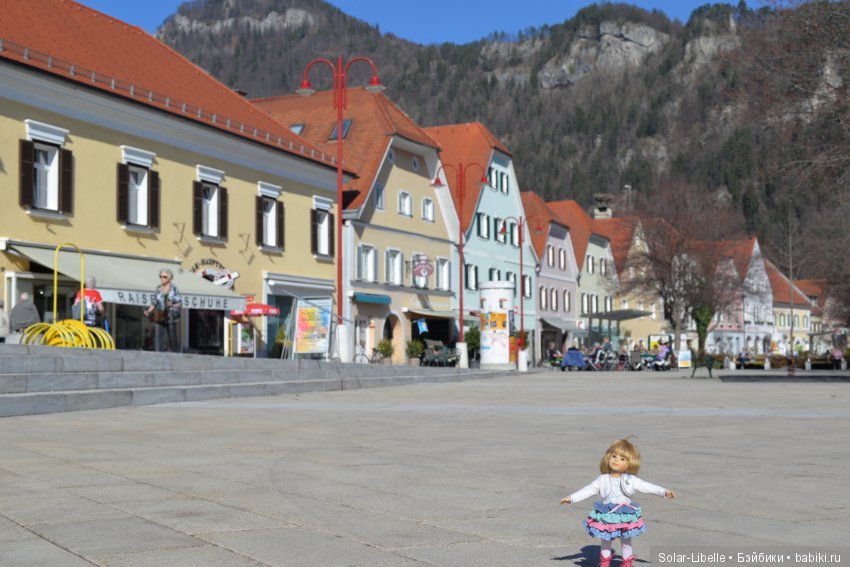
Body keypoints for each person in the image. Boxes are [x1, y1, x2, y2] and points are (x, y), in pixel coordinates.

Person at [560, 439, 676, 567]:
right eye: (614, 456)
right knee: (605, 540)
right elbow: (588, 490)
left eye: (622, 459)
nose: (616, 460)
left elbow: (647, 486)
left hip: (625, 515)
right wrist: (571, 498)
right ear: (608, 457)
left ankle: (627, 563)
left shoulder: (631, 480)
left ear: (630, 463)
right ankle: (605, 563)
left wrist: (663, 491)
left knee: (626, 541)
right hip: (607, 515)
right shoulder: (602, 479)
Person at [143, 268, 183, 353]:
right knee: (158, 340)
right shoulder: (158, 288)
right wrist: (148, 311)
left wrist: (172, 304)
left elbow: (180, 303)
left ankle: (176, 357)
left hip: (171, 317)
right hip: (159, 315)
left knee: (173, 340)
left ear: (170, 278)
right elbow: (154, 303)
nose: (162, 278)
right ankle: (159, 357)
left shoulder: (174, 288)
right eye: (160, 276)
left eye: (164, 277)